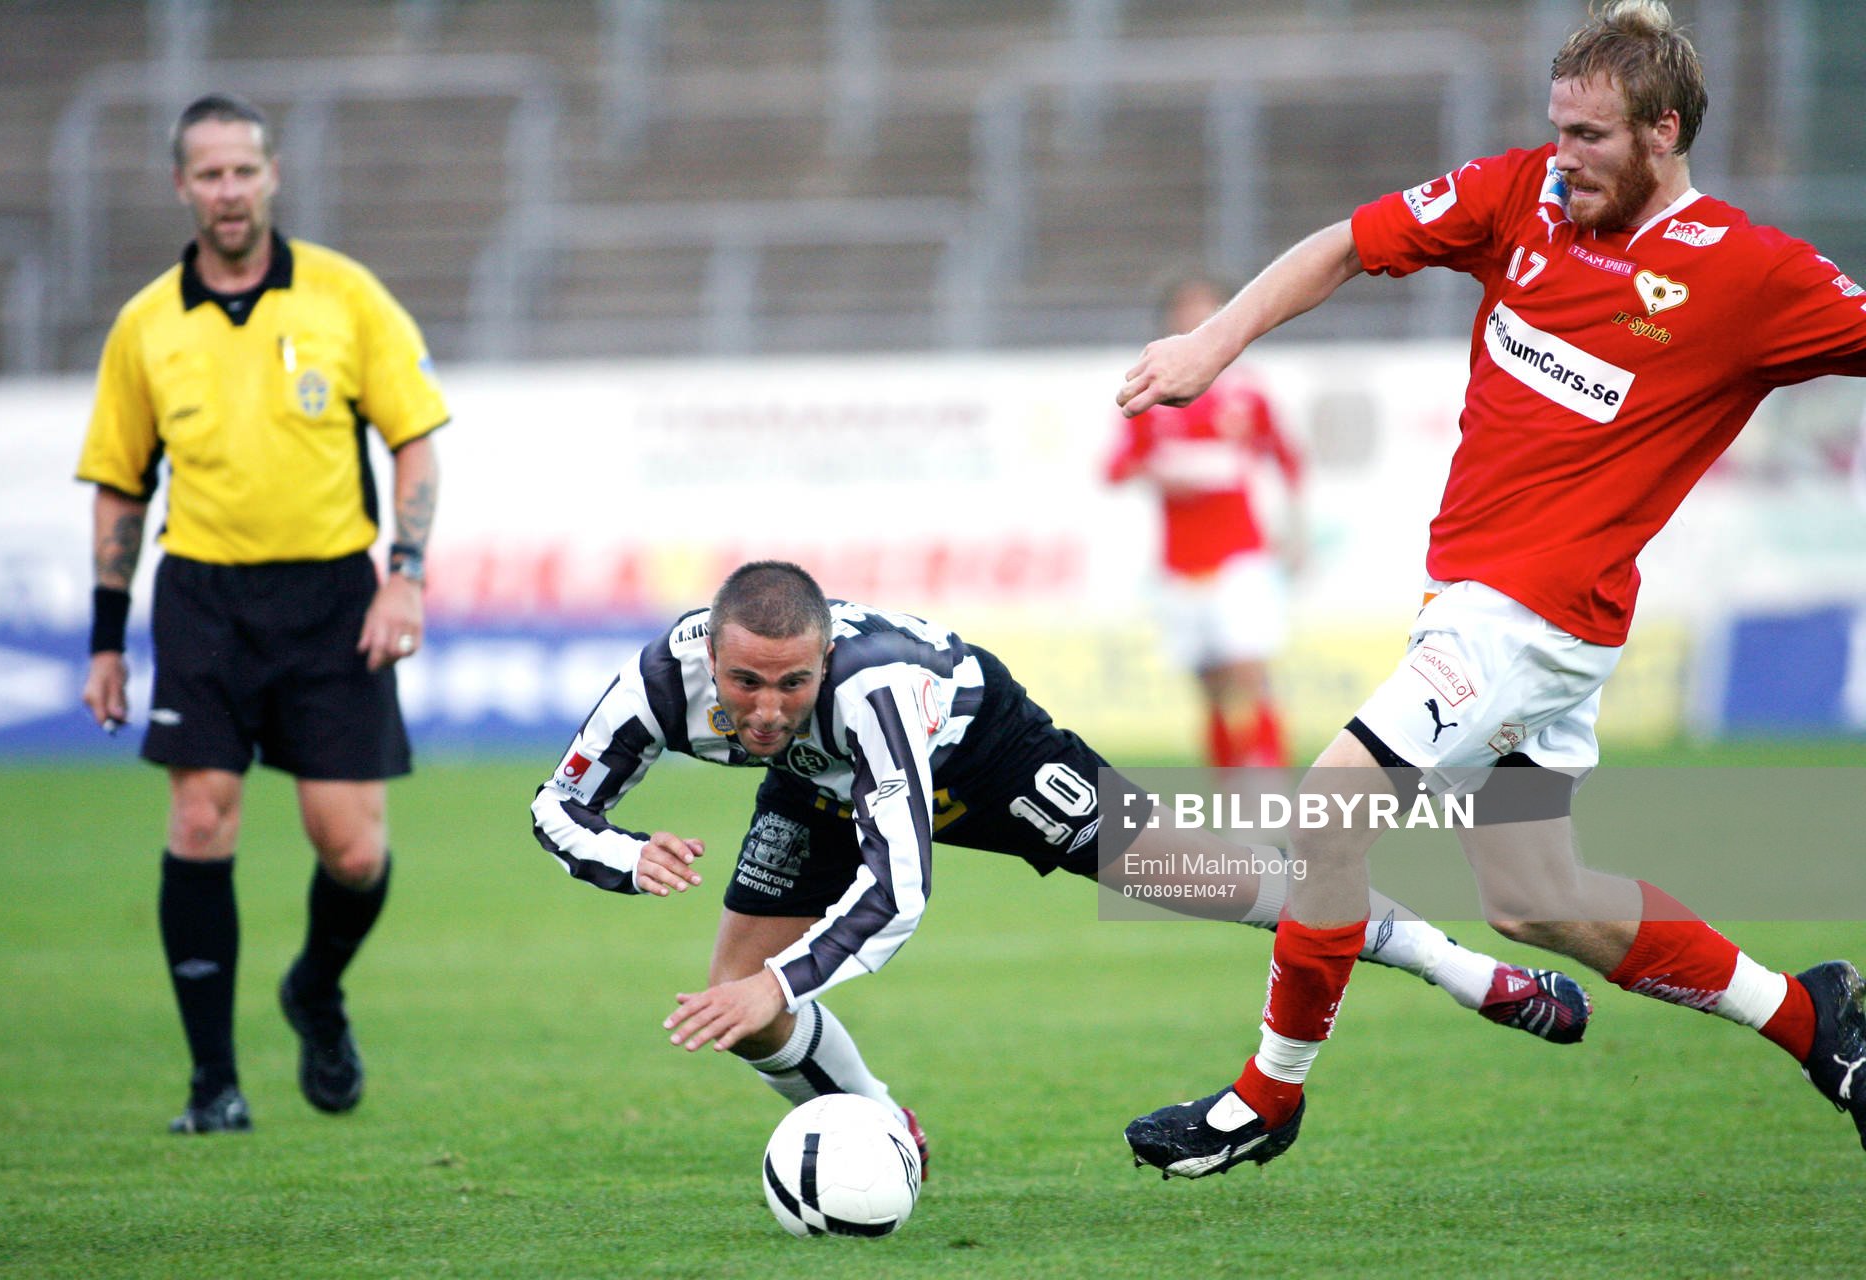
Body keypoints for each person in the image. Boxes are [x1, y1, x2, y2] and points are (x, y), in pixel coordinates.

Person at [1117, 0, 1866, 1179]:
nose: (1564, 156)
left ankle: (1266, 1094)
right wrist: (1214, 346)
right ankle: (1812, 1018)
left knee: (1331, 803)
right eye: (1557, 127)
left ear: (1665, 133)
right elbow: (1345, 243)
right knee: (1537, 899)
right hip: (1511, 616)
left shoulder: (1750, 274)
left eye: (1594, 137)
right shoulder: (1517, 197)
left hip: (1525, 620)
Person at [530, 560, 1596, 1164]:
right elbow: (558, 805)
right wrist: (626, 856)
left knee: (1229, 885)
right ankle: (885, 1127)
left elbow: (899, 889)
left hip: (987, 752)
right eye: (744, 684)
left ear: (823, 661)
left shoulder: (872, 691)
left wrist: (790, 969)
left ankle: (1474, 972)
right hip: (821, 785)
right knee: (738, 999)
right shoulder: (657, 684)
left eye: (791, 682)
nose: (763, 708)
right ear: (706, 653)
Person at [76, 93, 448, 1134]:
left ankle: (315, 991)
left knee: (353, 850)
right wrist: (106, 641)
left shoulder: (345, 295)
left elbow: (415, 440)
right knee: (201, 815)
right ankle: (213, 1084)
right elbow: (119, 483)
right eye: (210, 174)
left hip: (335, 597)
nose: (229, 190)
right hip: (202, 595)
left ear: (271, 174)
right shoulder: (147, 324)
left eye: (245, 170)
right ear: (181, 185)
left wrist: (404, 571)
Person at [1106, 271, 1305, 768]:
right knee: (1211, 686)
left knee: (1249, 673)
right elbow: (1115, 467)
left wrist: (1296, 530)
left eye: (1209, 311)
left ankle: (1267, 796)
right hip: (1180, 564)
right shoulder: (1151, 394)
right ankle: (1232, 802)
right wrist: (1157, 473)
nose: (1197, 320)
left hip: (1241, 554)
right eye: (1187, 310)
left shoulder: (1246, 391)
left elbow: (1286, 458)